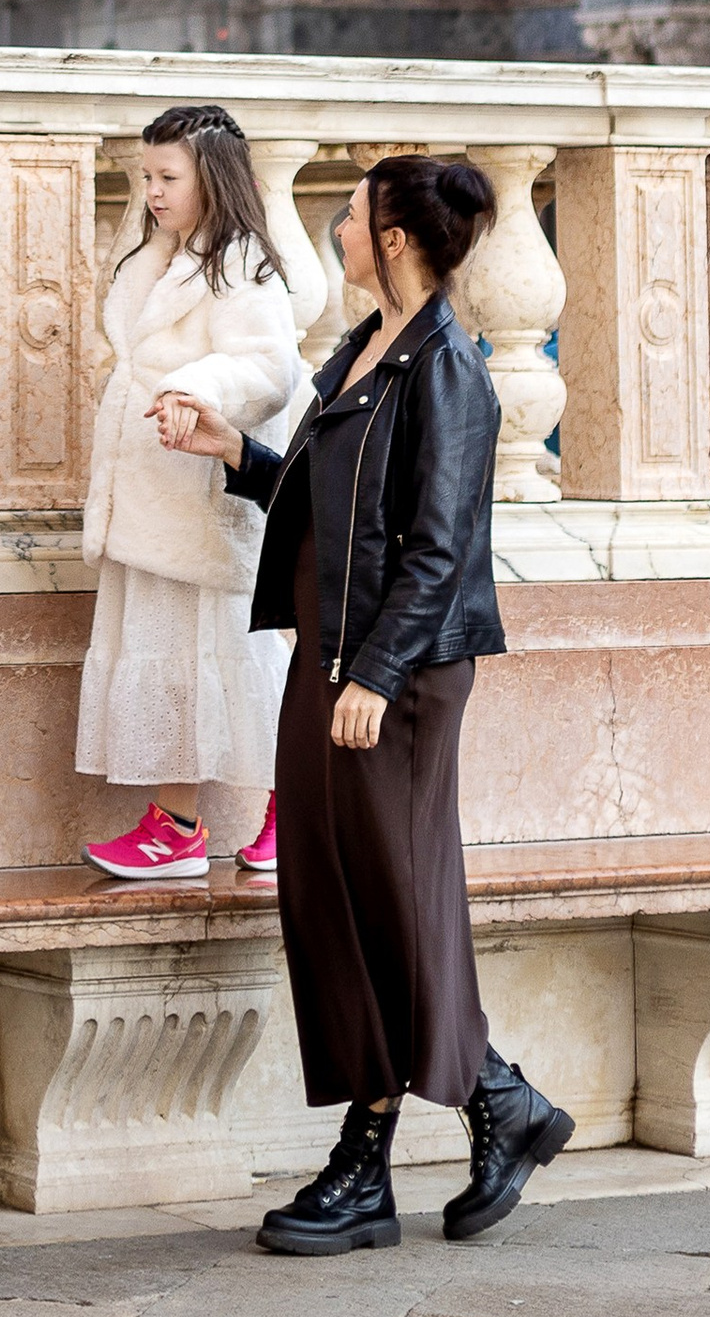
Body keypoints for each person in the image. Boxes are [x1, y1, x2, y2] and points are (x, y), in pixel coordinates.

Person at [156, 153, 572, 1255]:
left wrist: (377, 675)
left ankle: (446, 1121)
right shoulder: (363, 349)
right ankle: (430, 1135)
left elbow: (441, 549)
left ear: (391, 236)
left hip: (395, 674)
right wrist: (238, 455)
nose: (335, 231)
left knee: (392, 897)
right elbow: (330, 496)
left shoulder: (447, 370)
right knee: (333, 900)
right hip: (330, 660)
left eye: (347, 216)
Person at [76, 104, 302, 881]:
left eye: (168, 177)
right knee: (168, 656)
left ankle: (295, 808)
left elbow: (270, 368)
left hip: (207, 498)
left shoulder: (241, 264)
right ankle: (175, 824)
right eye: (147, 176)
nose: (153, 192)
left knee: (238, 656)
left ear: (213, 177)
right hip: (151, 495)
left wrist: (190, 385)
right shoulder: (154, 257)